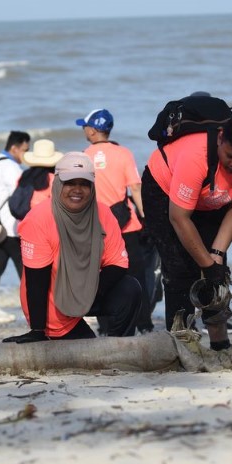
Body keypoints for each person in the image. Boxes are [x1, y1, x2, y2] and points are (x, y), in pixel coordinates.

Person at [140, 112, 232, 350]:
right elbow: (179, 218)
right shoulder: (195, 157)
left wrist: (216, 256)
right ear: (220, 139)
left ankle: (219, 341)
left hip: (211, 197)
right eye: (230, 156)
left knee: (216, 268)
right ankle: (181, 342)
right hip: (164, 190)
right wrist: (207, 266)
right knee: (179, 267)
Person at [3, 152, 142, 343]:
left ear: (92, 186)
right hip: (53, 301)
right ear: (58, 182)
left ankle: (119, 346)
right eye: (70, 183)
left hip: (90, 290)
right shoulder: (38, 219)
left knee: (130, 288)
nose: (77, 190)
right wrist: (37, 330)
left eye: (84, 184)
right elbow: (36, 281)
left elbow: (117, 263)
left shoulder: (104, 213)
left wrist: (89, 292)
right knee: (87, 346)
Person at [77, 108, 152, 332]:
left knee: (99, 276)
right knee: (136, 276)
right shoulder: (124, 153)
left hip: (96, 227)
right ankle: (145, 324)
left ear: (92, 131)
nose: (84, 130)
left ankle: (106, 325)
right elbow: (136, 187)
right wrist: (146, 217)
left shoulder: (84, 156)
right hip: (126, 225)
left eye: (85, 126)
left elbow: (80, 193)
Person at [0, 130, 30, 313]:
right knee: (24, 268)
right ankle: (31, 305)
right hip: (10, 227)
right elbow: (21, 194)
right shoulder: (11, 167)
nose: (26, 154)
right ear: (14, 148)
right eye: (25, 149)